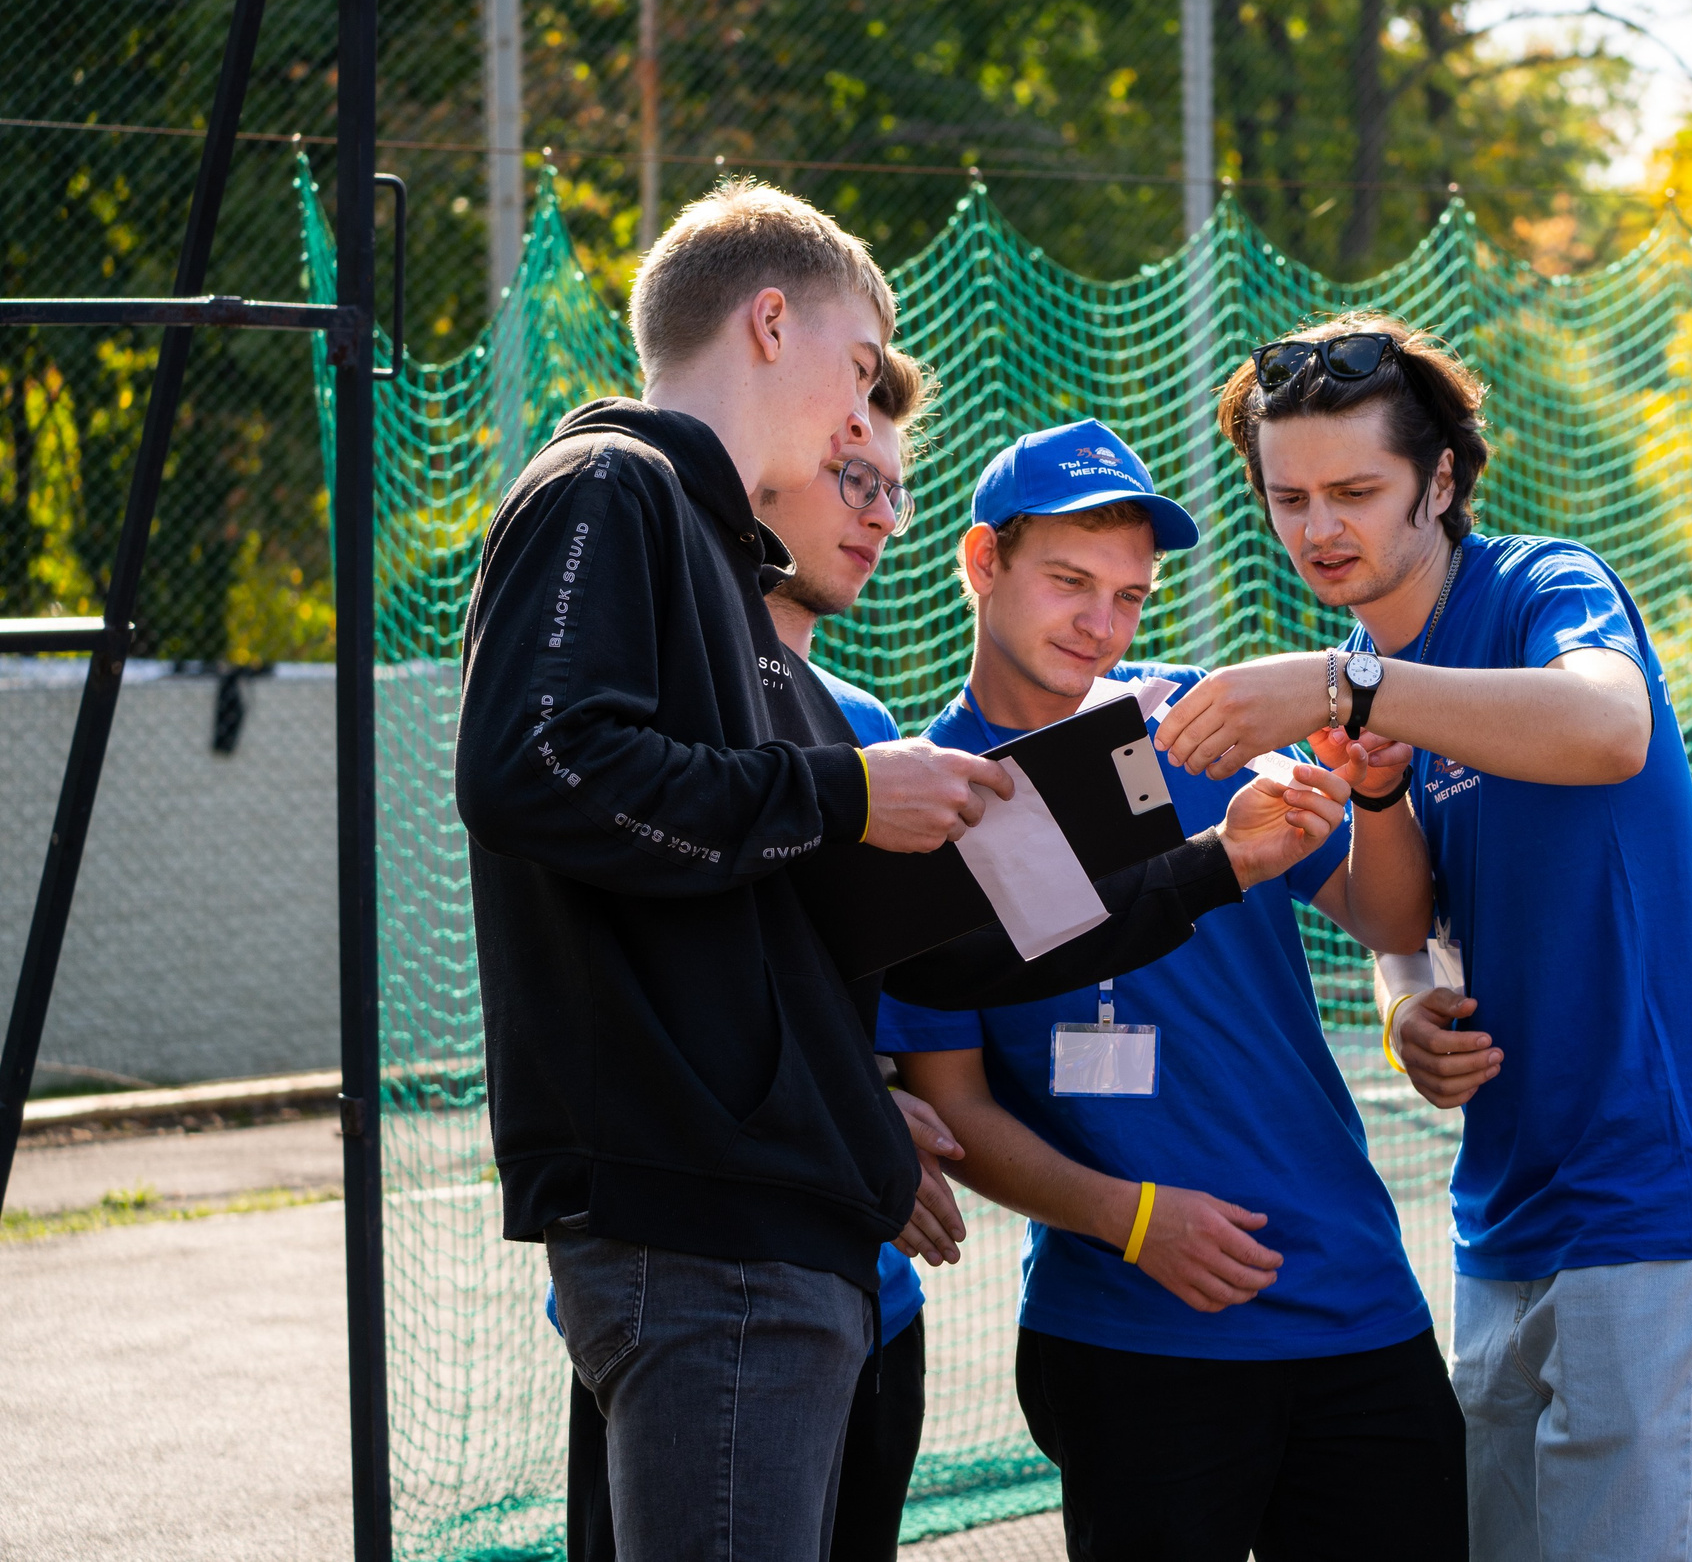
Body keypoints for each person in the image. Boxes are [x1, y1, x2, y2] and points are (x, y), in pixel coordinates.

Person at [455, 179, 1352, 1560]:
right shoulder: (609, 487)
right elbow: (537, 766)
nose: (864, 427)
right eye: (861, 373)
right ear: (772, 324)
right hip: (710, 1231)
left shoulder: (746, 605)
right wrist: (846, 793)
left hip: (790, 1246)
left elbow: (929, 957)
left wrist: (1211, 867)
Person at [1154, 317, 1692, 1562]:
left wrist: (1342, 692)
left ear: (1439, 482)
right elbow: (1403, 913)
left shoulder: (1543, 587)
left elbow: (1609, 729)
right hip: (1504, 1202)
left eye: (1355, 492)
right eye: (1289, 497)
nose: (1319, 527)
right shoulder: (1364, 667)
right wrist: (1400, 994)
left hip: (1653, 1190)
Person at [877, 419, 1467, 1562]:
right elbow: (955, 1111)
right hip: (1132, 1328)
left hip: (1351, 1297)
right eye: (1069, 583)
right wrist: (1131, 1220)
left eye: (1131, 595)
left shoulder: (1197, 725)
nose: (1101, 623)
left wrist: (1379, 794)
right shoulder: (929, 800)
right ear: (980, 561)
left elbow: (1392, 920)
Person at [557, 347, 962, 1562]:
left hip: (843, 1279)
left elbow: (850, 988)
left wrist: (1203, 867)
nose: (883, 516)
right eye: (853, 475)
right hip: (702, 1257)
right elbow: (558, 804)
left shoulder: (857, 732)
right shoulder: (639, 683)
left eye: (895, 486)